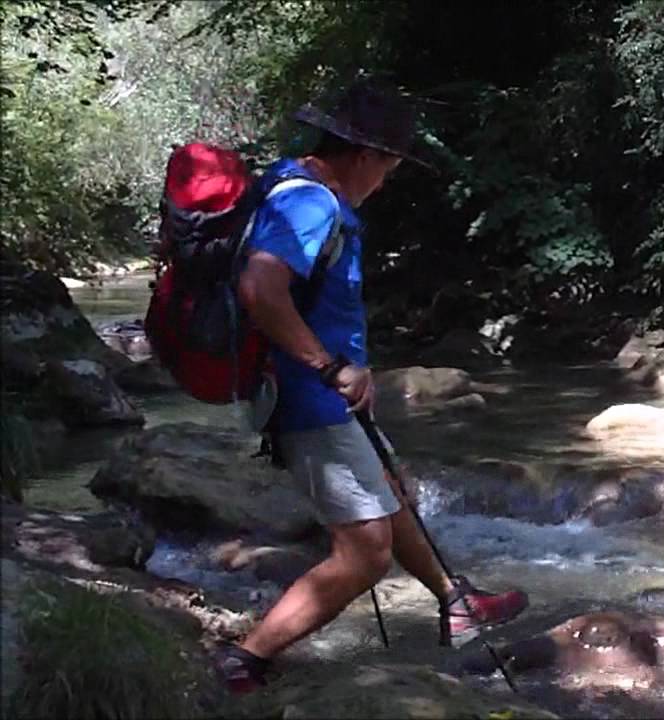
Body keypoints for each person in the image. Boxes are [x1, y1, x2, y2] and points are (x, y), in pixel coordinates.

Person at [213, 81, 529, 693]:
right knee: (365, 554)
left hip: (319, 392)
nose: (387, 181)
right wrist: (330, 368)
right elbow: (260, 290)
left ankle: (455, 601)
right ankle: (244, 659)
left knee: (389, 485)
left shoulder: (287, 185)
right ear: (365, 156)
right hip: (311, 398)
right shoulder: (311, 205)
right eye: (389, 166)